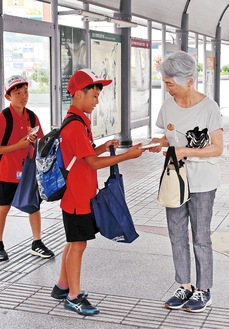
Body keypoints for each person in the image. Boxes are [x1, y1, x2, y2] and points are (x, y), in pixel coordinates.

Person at [50, 68, 144, 316]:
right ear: (79, 94)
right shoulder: (74, 126)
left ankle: (62, 285)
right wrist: (127, 155)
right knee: (78, 245)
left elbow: (85, 156)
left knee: (74, 243)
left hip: (80, 195)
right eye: (94, 95)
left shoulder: (80, 121)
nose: (97, 100)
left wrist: (103, 146)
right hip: (76, 199)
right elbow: (91, 163)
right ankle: (73, 296)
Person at [149, 51, 224, 313]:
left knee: (200, 236)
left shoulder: (209, 107)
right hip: (174, 179)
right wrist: (156, 144)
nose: (167, 89)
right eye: (166, 83)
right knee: (176, 234)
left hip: (202, 181)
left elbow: (217, 148)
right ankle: (185, 285)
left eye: (171, 84)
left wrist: (186, 151)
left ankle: (204, 290)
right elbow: (166, 138)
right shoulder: (168, 105)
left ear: (189, 81)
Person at [0, 75, 54, 261]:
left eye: (25, 92)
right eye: (18, 93)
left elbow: (42, 141)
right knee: (3, 208)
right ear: (8, 96)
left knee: (34, 206)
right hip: (6, 171)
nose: (23, 97)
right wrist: (18, 146)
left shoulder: (32, 116)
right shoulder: (3, 118)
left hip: (28, 171)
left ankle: (37, 243)